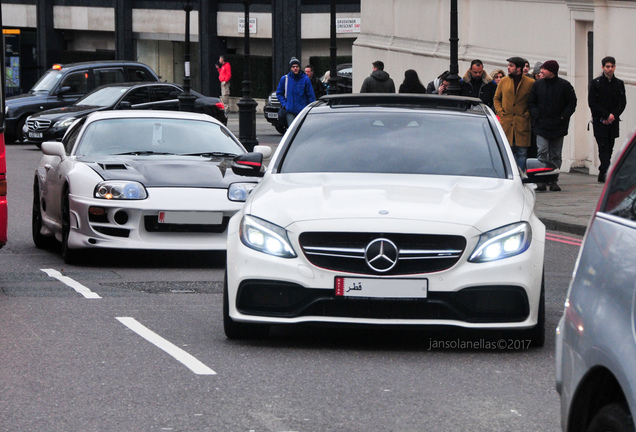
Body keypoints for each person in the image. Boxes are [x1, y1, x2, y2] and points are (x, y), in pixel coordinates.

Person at [528, 60, 577, 191]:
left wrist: (563, 117)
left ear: (552, 71)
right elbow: (531, 102)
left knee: (556, 154)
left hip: (558, 126)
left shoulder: (565, 86)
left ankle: (553, 179)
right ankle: (541, 180)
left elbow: (572, 103)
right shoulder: (537, 85)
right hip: (541, 125)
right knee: (542, 151)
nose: (541, 71)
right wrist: (536, 115)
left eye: (544, 69)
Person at [588, 56, 627, 183]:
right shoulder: (596, 83)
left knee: (610, 147)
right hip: (600, 121)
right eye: (607, 66)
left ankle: (603, 171)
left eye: (612, 66)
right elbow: (592, 103)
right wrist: (605, 116)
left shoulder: (619, 83)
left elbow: (622, 103)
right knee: (603, 146)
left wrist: (613, 116)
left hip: (613, 121)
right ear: (603, 67)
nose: (610, 69)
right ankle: (607, 172)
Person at [493, 56, 535, 172]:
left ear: (519, 68)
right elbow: (497, 98)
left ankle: (521, 175)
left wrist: (528, 113)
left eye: (511, 66)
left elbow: (534, 101)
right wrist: (500, 112)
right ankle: (511, 174)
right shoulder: (504, 81)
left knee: (522, 152)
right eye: (508, 65)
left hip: (522, 123)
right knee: (508, 152)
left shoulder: (530, 83)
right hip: (506, 122)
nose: (508, 68)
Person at [276, 57, 316, 126]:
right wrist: (285, 105)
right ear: (290, 68)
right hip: (290, 110)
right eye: (293, 66)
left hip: (302, 111)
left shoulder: (305, 79)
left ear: (299, 67)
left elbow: (311, 96)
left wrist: (311, 109)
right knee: (292, 130)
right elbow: (279, 93)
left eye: (297, 66)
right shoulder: (285, 79)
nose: (295, 68)